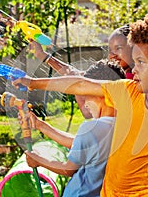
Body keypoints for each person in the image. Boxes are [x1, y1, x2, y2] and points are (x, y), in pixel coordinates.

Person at [13, 13, 148, 196]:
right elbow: (81, 84)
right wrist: (32, 83)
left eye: (141, 63)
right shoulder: (128, 92)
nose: (133, 69)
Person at [25, 59, 126, 197]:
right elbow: (81, 143)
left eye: (86, 96)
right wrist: (40, 125)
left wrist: (39, 160)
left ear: (101, 94)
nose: (85, 104)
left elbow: (69, 169)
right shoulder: (124, 125)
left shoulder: (92, 128)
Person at [28, 24, 134, 119]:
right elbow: (73, 73)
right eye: (110, 50)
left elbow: (86, 111)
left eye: (118, 48)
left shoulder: (134, 82)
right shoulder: (112, 74)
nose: (112, 55)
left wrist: (32, 83)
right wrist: (42, 55)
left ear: (134, 48)